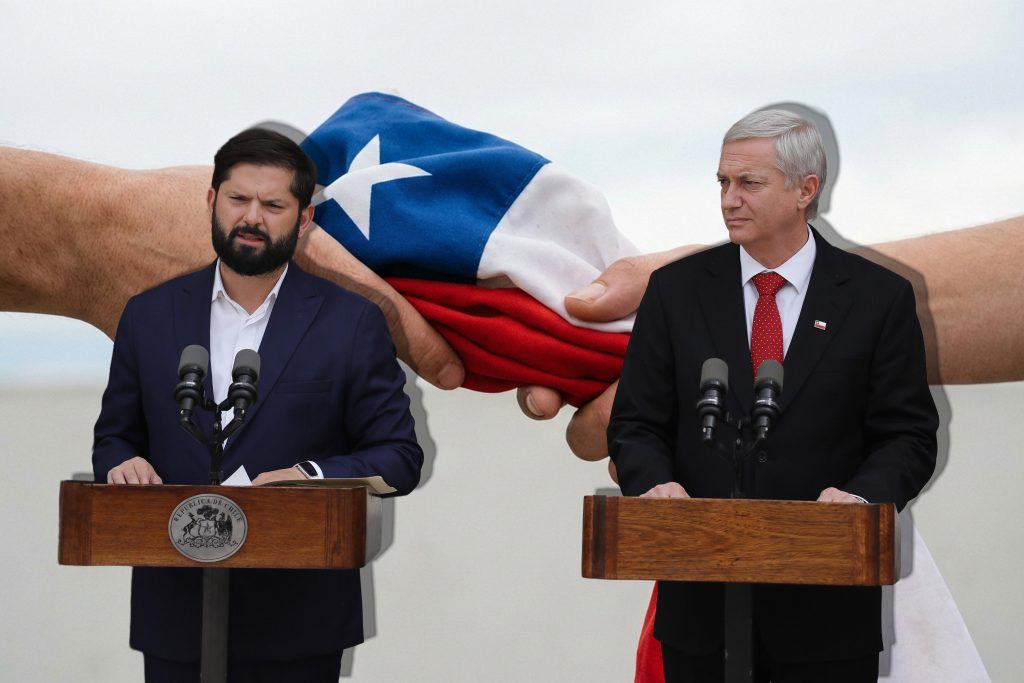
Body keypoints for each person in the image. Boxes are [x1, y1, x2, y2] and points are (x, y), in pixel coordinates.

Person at [606, 110, 939, 681]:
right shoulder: (676, 291)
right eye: (722, 183)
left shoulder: (878, 297)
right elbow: (635, 423)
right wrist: (652, 484)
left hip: (827, 617)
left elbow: (907, 435)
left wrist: (860, 500)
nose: (729, 200)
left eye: (749, 183)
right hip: (699, 614)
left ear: (805, 190)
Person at [91, 129, 423, 680]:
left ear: (304, 219)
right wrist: (120, 463)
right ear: (211, 201)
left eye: (273, 205)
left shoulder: (352, 321)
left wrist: (308, 474)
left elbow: (398, 457)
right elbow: (115, 437)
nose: (252, 218)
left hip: (300, 620)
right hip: (175, 615)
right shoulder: (147, 315)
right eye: (238, 199)